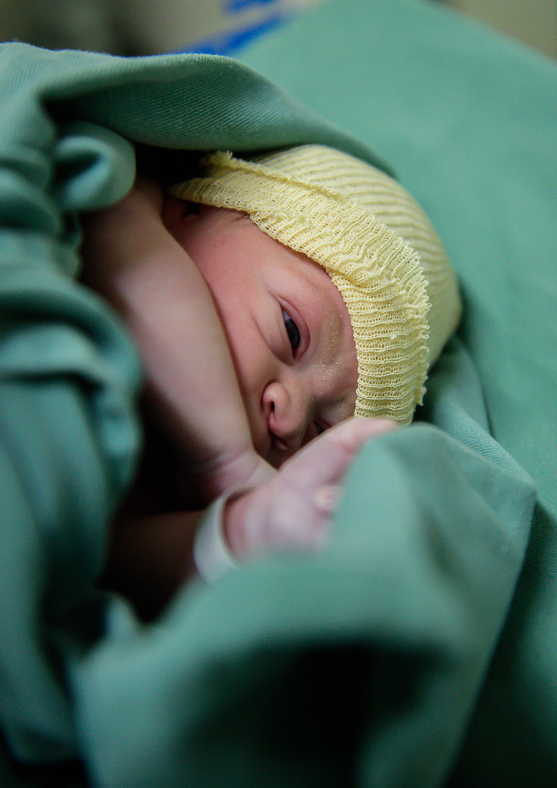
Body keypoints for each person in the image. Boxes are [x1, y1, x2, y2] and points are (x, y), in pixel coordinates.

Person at [80, 143, 461, 618]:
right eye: (291, 330)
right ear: (195, 208)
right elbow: (131, 260)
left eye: (320, 434)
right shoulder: (122, 195)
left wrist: (242, 532)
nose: (292, 414)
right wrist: (228, 460)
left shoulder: (170, 486)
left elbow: (106, 561)